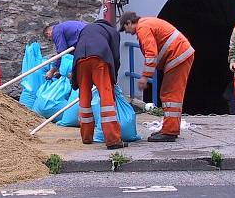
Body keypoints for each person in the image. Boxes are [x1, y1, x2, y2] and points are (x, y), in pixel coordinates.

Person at [119, 12, 195, 142]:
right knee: (169, 93)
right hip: (178, 55)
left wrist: (144, 77)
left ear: (129, 23)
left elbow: (151, 54)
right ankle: (169, 128)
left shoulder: (142, 28)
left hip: (177, 56)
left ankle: (169, 132)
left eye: (125, 28)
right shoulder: (146, 23)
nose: (126, 32)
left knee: (170, 94)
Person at [71, 19, 127, 150]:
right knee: (106, 96)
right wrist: (114, 79)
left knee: (84, 96)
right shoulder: (112, 32)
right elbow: (115, 57)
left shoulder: (86, 29)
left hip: (80, 60)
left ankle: (86, 137)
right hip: (99, 59)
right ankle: (113, 140)